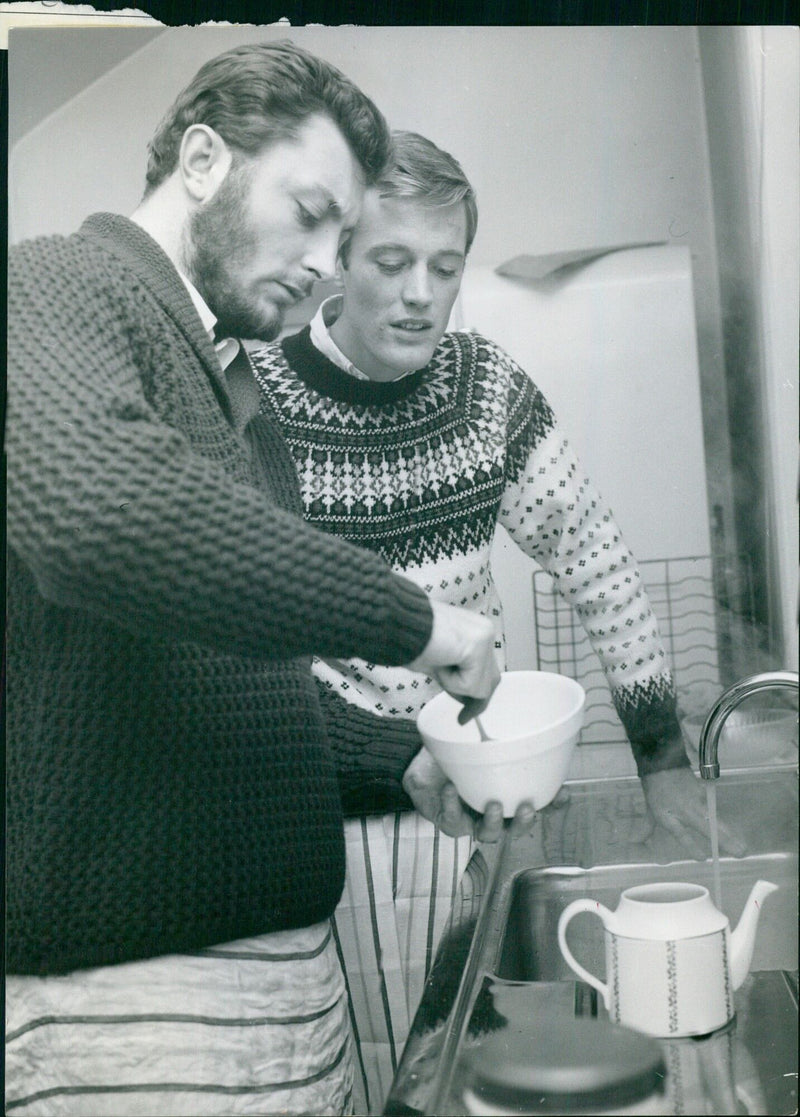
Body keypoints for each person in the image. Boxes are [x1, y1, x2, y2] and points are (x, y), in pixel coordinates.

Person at [4, 51, 509, 1117]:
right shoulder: (54, 282)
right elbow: (93, 510)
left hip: (271, 993)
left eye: (340, 239)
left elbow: (238, 686)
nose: (326, 264)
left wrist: (399, 754)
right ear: (201, 160)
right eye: (311, 212)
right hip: (135, 1014)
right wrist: (413, 623)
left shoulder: (229, 386)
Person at [248, 130, 746, 1110]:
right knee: (386, 1076)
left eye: (443, 266)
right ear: (339, 259)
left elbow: (592, 553)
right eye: (390, 262)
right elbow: (255, 637)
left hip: (477, 807)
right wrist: (386, 754)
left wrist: (658, 754)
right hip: (332, 821)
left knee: (463, 1060)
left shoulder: (485, 388)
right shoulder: (261, 405)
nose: (418, 294)